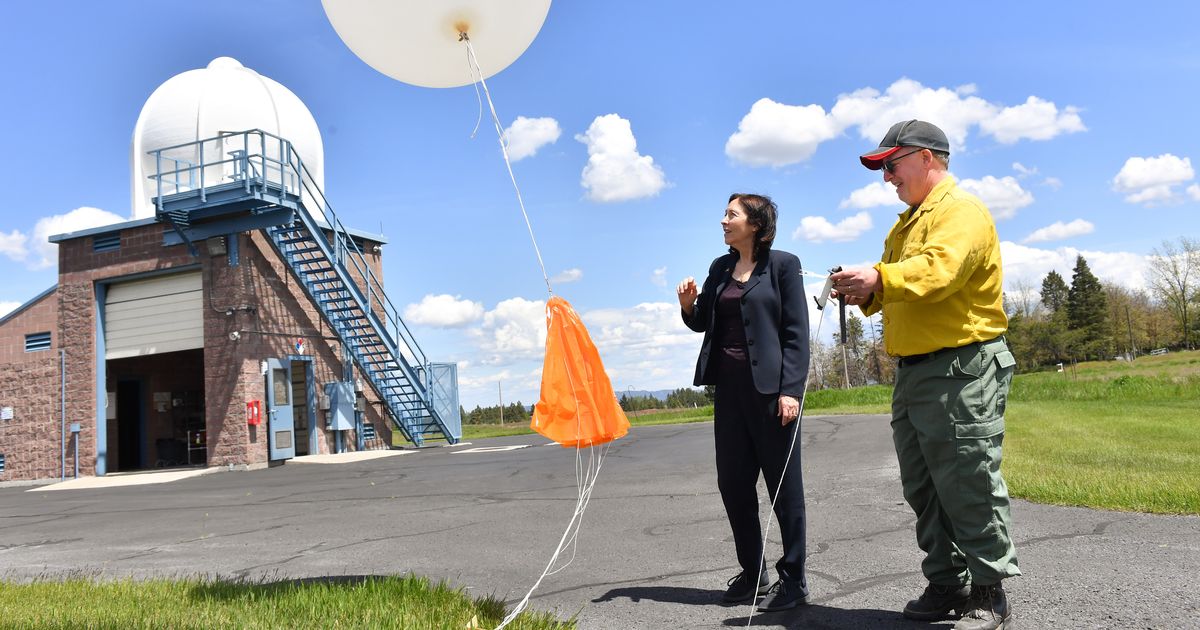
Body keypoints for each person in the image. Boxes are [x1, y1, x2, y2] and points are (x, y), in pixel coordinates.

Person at [831, 120, 1018, 630]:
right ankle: (948, 583)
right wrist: (864, 289)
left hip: (961, 367)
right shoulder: (907, 223)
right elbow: (898, 288)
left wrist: (880, 276)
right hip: (915, 371)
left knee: (967, 479)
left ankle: (989, 590)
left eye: (891, 165)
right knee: (923, 485)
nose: (887, 177)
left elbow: (940, 271)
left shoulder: (960, 211)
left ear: (925, 158)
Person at [677, 193, 810, 612]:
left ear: (755, 223)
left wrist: (791, 390)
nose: (723, 220)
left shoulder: (784, 265)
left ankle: (794, 580)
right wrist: (687, 306)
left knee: (784, 489)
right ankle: (754, 574)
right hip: (729, 395)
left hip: (772, 396)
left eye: (731, 214)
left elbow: (796, 332)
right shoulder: (720, 268)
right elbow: (703, 321)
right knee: (733, 486)